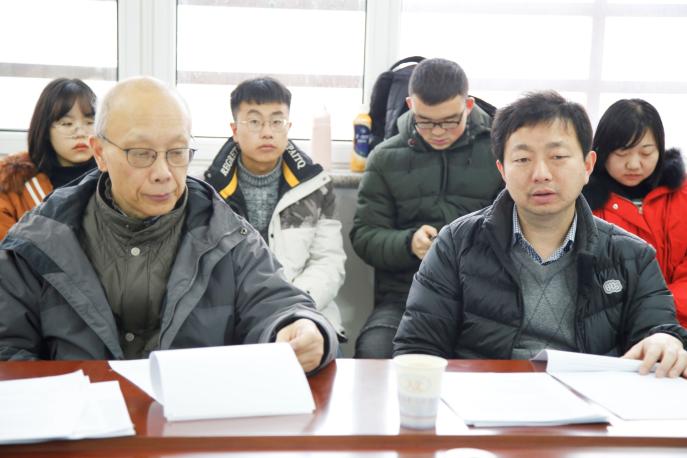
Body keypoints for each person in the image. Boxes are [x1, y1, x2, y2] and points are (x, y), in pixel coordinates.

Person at [0, 76, 338, 373]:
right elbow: (7, 346)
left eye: (177, 152)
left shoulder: (226, 234)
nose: (163, 173)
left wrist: (301, 327)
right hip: (78, 421)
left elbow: (277, 304)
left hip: (192, 419)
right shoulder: (41, 241)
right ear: (100, 153)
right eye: (141, 153)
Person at [394, 91, 687, 378]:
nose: (541, 173)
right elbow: (418, 348)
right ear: (502, 170)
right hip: (485, 401)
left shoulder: (633, 256)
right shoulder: (455, 245)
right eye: (523, 159)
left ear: (587, 166)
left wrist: (666, 340)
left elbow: (658, 332)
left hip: (591, 404)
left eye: (558, 156)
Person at [349, 58, 503, 358]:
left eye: (450, 121)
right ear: (410, 105)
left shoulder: (499, 151)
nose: (438, 132)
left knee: (496, 359)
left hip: (481, 295)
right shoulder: (385, 157)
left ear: (468, 105)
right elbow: (364, 236)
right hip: (404, 297)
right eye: (426, 121)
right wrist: (409, 243)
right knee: (374, 353)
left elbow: (518, 230)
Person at [203, 77, 347, 337]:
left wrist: (292, 306)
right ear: (234, 130)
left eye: (277, 122)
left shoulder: (317, 186)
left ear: (288, 127)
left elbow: (328, 262)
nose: (267, 132)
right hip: (232, 316)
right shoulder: (208, 191)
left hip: (305, 309)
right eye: (254, 122)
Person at [583, 99, 687, 329]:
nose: (634, 164)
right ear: (600, 152)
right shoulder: (582, 203)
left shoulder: (682, 194)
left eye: (646, 152)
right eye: (622, 153)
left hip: (679, 324)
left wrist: (658, 308)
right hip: (609, 331)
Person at [0, 78, 97, 239]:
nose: (81, 133)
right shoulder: (12, 182)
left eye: (90, 122)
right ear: (45, 130)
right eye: (67, 124)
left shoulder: (114, 178)